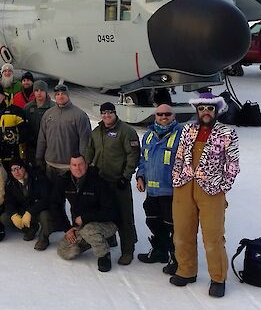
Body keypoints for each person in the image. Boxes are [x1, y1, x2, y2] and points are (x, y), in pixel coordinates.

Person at [169, 92, 240, 298]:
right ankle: (186, 271)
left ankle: (218, 278)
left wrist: (222, 187)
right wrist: (177, 178)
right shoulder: (188, 130)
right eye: (202, 109)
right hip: (184, 186)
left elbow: (232, 164)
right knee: (182, 233)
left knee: (213, 236)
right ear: (197, 111)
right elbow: (180, 156)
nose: (206, 112)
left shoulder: (227, 133)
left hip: (211, 190)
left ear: (216, 111)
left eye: (209, 109)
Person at [84, 102, 140, 266]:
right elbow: (90, 150)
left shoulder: (126, 131)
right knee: (104, 213)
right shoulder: (97, 131)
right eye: (104, 113)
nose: (107, 116)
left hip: (118, 181)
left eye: (110, 113)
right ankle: (110, 238)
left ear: (115, 113)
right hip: (101, 181)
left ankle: (128, 250)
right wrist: (90, 168)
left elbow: (133, 155)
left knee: (124, 217)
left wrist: (126, 176)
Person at [136, 104, 183, 272]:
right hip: (152, 191)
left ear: (173, 115)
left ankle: (178, 259)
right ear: (155, 116)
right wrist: (140, 176)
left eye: (167, 114)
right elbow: (143, 160)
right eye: (160, 114)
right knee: (153, 221)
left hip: (171, 191)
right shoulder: (148, 136)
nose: (164, 117)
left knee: (173, 226)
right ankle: (160, 251)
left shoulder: (181, 135)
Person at [53, 155, 119, 272]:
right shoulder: (65, 181)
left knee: (88, 231)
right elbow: (55, 205)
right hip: (81, 225)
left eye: (80, 164)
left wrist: (85, 218)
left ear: (86, 165)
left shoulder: (98, 181)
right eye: (74, 165)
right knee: (64, 251)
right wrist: (67, 228)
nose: (77, 168)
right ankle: (96, 240)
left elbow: (111, 211)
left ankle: (104, 255)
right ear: (70, 167)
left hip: (106, 223)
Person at [35, 84, 92, 182]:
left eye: (63, 94)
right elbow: (42, 138)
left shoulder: (80, 115)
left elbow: (85, 141)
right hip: (50, 164)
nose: (60, 96)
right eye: (57, 94)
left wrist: (84, 162)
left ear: (68, 95)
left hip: (70, 166)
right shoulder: (48, 114)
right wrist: (39, 158)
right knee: (52, 195)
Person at [1, 159, 55, 250]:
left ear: (24, 168)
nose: (16, 172)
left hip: (39, 209)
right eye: (13, 170)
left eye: (18, 168)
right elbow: (8, 202)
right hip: (24, 211)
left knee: (46, 216)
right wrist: (14, 215)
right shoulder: (11, 183)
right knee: (5, 218)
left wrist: (30, 212)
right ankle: (31, 228)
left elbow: (47, 199)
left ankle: (44, 238)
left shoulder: (38, 177)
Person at [23, 80, 54, 162]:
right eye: (36, 90)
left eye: (42, 90)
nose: (39, 93)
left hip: (48, 145)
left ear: (46, 92)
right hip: (32, 145)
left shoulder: (53, 107)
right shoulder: (27, 107)